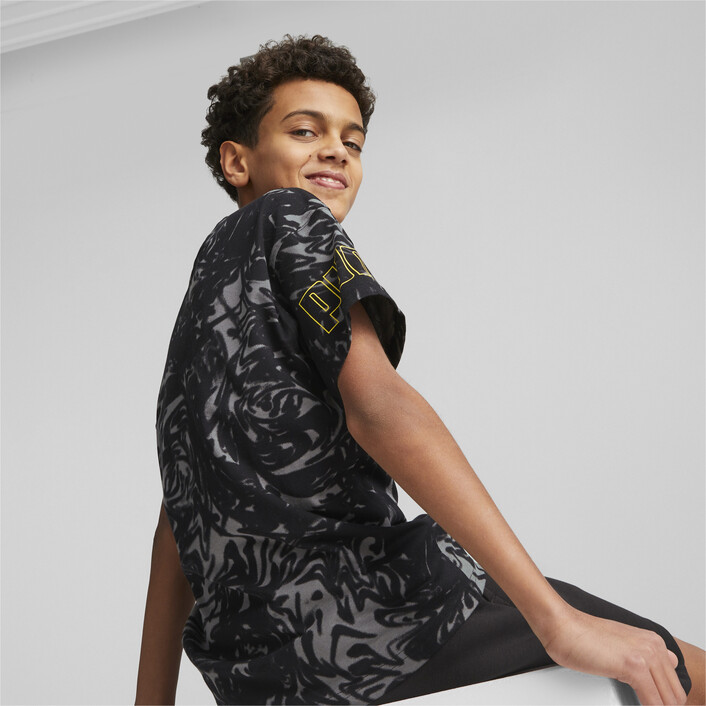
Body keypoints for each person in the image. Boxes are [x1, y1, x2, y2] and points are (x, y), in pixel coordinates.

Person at [135, 34, 704, 706]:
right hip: (382, 616)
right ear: (237, 160)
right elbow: (380, 406)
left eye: (352, 140)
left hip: (263, 678)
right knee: (686, 672)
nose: (336, 150)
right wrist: (557, 622)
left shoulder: (202, 306)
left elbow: (180, 520)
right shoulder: (291, 217)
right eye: (305, 130)